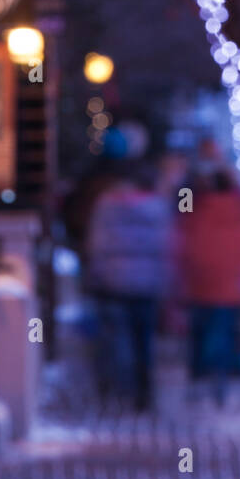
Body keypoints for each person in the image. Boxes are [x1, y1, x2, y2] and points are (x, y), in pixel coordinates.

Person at [176, 166, 240, 404]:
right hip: (233, 287)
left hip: (200, 286)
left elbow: (184, 248)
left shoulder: (196, 211)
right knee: (224, 332)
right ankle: (219, 382)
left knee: (201, 333)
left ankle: (199, 379)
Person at [85, 157, 173, 411]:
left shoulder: (107, 205)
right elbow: (166, 246)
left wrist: (96, 275)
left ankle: (115, 390)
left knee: (114, 337)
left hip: (112, 281)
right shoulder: (158, 207)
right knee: (143, 339)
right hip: (147, 284)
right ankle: (143, 392)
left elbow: (97, 244)